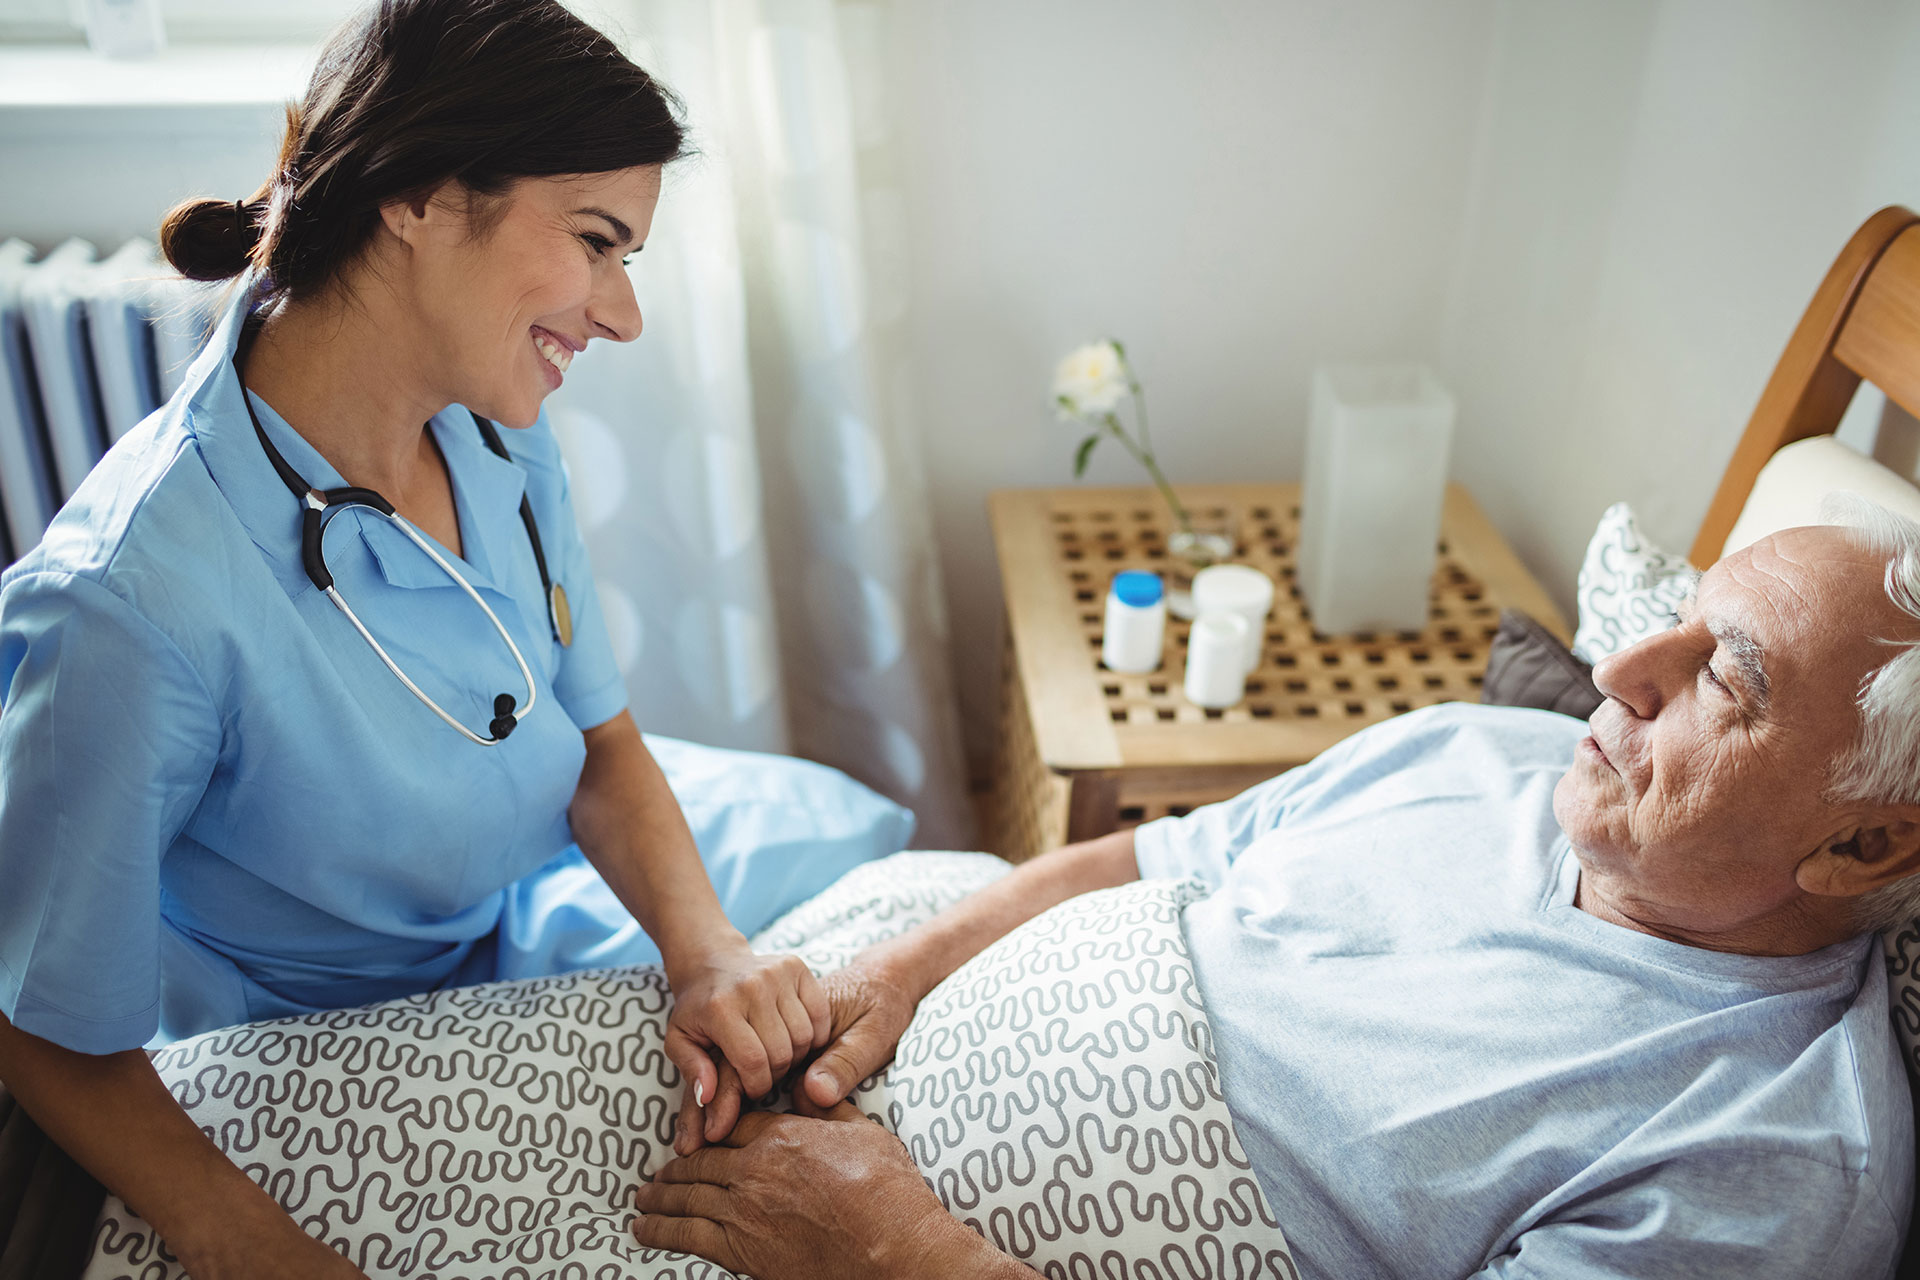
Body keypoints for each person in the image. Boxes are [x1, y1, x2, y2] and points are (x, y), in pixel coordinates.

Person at [0, 3, 837, 1276]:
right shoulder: (128, 606)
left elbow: (600, 742)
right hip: (315, 1031)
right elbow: (42, 1020)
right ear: (422, 198)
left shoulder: (493, 423)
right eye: (598, 243)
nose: (624, 315)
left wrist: (708, 953)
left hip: (513, 901)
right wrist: (249, 1239)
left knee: (857, 852)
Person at [633, 510, 1920, 1279]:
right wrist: (896, 973)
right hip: (861, 1037)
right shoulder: (1494, 749)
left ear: (1862, 849)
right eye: (1678, 621)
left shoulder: (1777, 1162)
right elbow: (1155, 853)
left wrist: (892, 1251)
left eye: (1727, 681)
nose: (1625, 668)